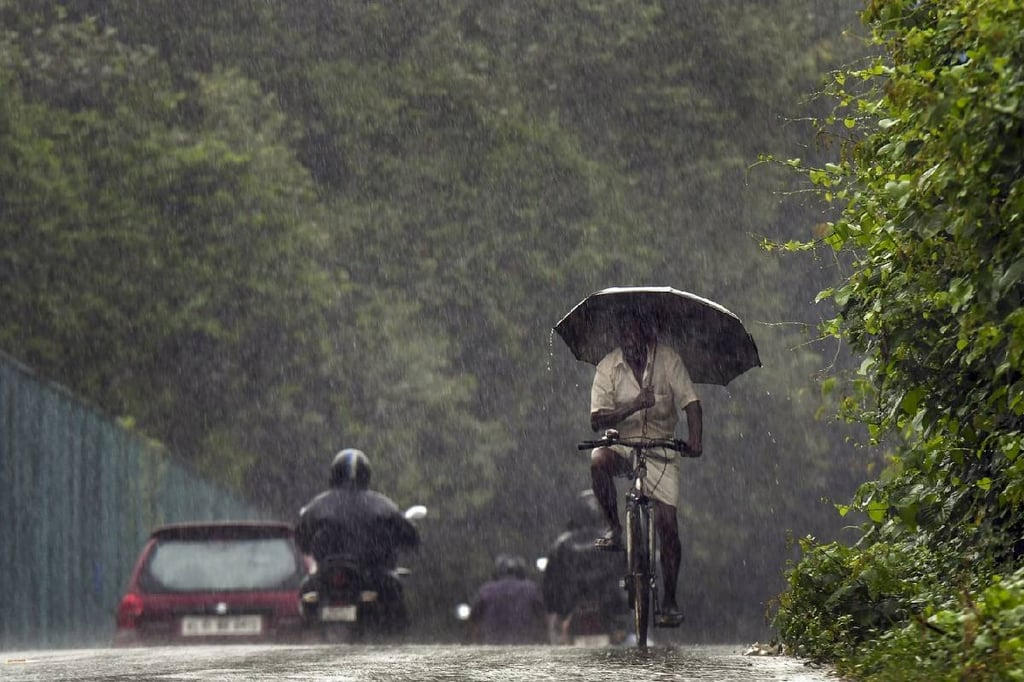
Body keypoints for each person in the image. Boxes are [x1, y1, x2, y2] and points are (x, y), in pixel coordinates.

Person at [588, 311, 702, 627]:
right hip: (623, 444)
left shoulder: (669, 360)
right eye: (625, 337)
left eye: (637, 337)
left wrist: (695, 441)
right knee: (598, 460)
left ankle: (669, 599)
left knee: (668, 524)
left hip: (661, 448)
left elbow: (691, 403)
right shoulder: (608, 367)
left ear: (648, 337)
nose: (631, 343)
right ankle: (613, 527)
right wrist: (635, 405)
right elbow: (597, 420)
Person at [295, 448, 420, 627]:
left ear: (334, 474)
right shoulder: (381, 504)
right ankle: (393, 636)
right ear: (366, 475)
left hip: (330, 572)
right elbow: (409, 535)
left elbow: (301, 537)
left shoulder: (318, 505)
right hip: (371, 572)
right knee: (395, 594)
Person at [542, 490, 628, 645]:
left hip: (571, 610)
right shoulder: (614, 542)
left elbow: (549, 587)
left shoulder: (561, 544)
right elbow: (628, 573)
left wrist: (557, 608)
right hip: (609, 610)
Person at [468, 554, 547, 645]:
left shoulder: (486, 590)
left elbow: (473, 620)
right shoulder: (531, 589)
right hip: (524, 644)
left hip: (492, 643)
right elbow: (542, 619)